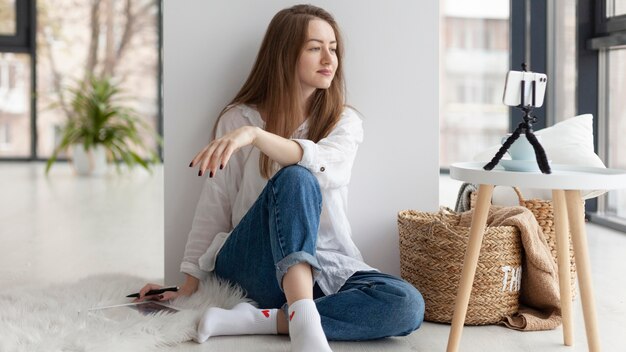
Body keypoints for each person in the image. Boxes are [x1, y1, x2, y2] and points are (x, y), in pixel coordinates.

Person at [136, 4, 424, 351]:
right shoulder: (238, 119)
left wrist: (256, 137)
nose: (329, 59)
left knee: (407, 304)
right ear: (285, 55)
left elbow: (323, 165)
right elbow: (215, 203)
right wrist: (188, 284)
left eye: (333, 48)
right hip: (253, 263)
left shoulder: (344, 123)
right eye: (315, 48)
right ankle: (303, 324)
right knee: (295, 179)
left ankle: (266, 319)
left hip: (322, 264)